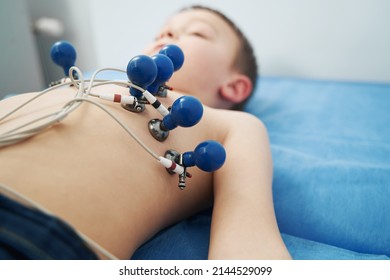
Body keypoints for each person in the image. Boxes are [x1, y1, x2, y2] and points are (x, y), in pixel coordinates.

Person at [0, 5, 291, 259]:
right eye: (160, 33)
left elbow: (249, 240)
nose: (165, 37)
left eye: (197, 33)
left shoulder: (231, 124)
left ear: (234, 86)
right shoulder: (95, 82)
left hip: (27, 233)